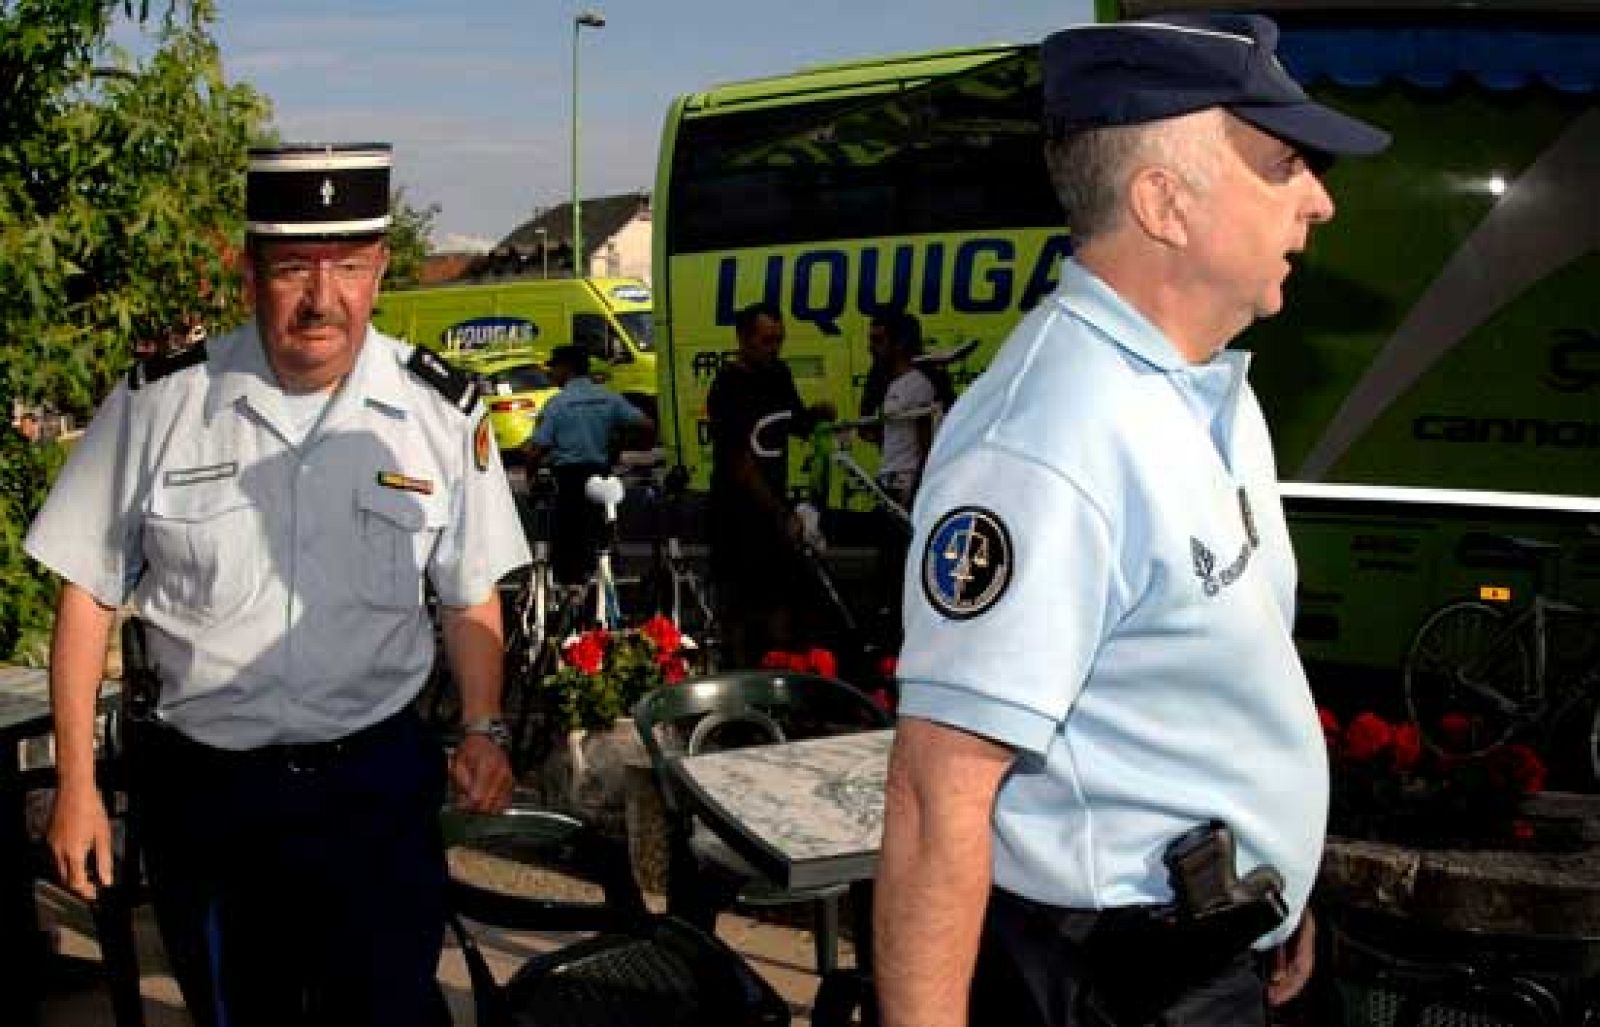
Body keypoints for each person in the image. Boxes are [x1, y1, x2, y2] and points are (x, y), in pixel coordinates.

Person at [874, 14, 1390, 1027]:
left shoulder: (1206, 390)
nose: (1320, 201)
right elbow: (937, 797)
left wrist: (1274, 885)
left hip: (1211, 947)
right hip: (1115, 985)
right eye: (1283, 165)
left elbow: (1205, 696)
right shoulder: (1050, 437)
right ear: (1164, 202)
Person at [25, 143, 531, 1027]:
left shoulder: (438, 413)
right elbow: (88, 593)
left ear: (381, 269)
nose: (322, 297)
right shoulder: (160, 406)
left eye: (349, 266)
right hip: (213, 799)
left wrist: (483, 724)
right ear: (249, 270)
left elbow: (468, 589)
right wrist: (77, 786)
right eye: (296, 266)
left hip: (375, 791)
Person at [706, 301, 834, 666]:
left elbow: (791, 421)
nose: (774, 348)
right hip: (737, 510)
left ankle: (780, 671)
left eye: (779, 340)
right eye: (766, 341)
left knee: (780, 596)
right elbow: (740, 463)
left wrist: (815, 416)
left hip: (774, 506)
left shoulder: (778, 374)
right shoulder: (728, 386)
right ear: (743, 339)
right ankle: (738, 674)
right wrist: (780, 513)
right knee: (739, 604)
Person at [523, 344, 652, 585]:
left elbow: (536, 450)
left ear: (567, 369)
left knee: (568, 542)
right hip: (601, 475)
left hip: (570, 480)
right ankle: (607, 578)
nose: (551, 373)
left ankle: (570, 590)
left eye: (554, 367)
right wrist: (626, 445)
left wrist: (530, 478)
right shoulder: (608, 397)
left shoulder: (558, 404)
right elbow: (646, 425)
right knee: (601, 532)